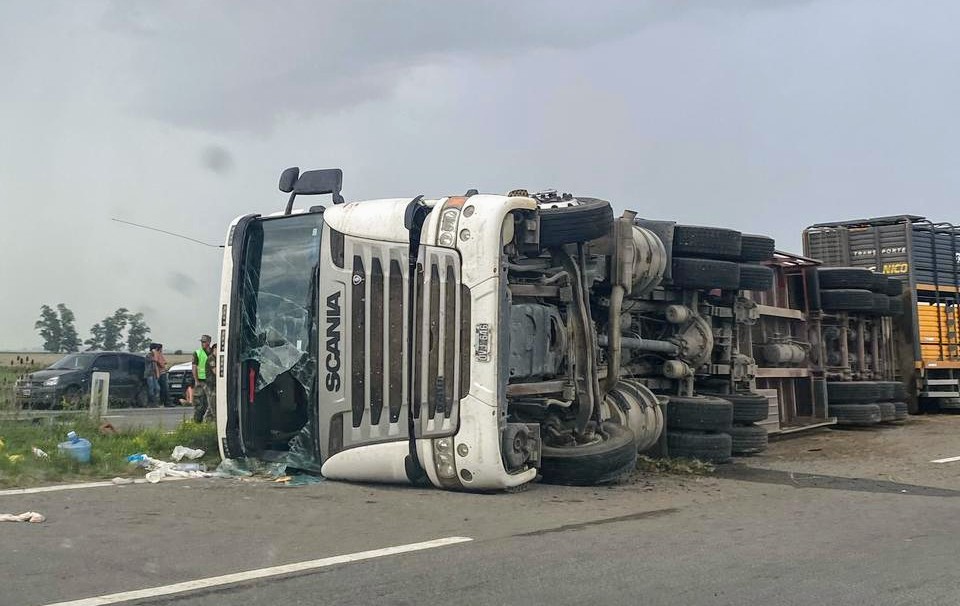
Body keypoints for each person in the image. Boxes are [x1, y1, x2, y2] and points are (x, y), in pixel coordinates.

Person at [192, 335, 216, 422]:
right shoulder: (197, 353)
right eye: (201, 342)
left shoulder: (213, 352)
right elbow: (194, 367)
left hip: (210, 381)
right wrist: (196, 380)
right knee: (199, 403)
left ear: (209, 342)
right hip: (201, 381)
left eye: (204, 342)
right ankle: (197, 421)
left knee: (211, 403)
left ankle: (208, 421)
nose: (202, 343)